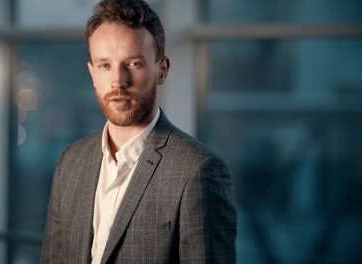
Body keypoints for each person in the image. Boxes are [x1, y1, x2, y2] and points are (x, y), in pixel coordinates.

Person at [40, 0, 237, 263]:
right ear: (92, 73)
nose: (118, 81)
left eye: (133, 64)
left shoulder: (198, 171)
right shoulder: (70, 162)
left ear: (162, 69)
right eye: (105, 65)